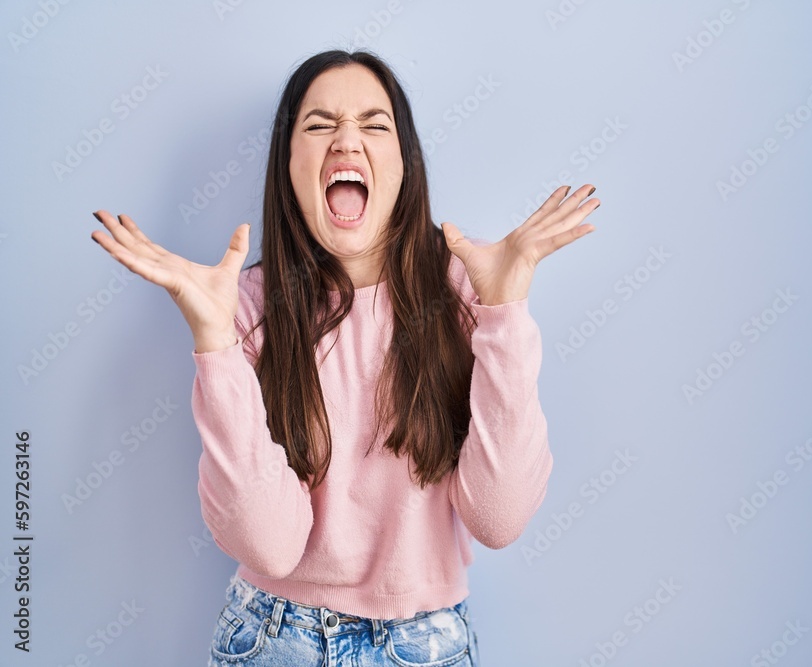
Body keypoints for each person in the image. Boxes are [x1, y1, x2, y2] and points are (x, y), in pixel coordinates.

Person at [90, 48, 599, 666]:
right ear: (289, 165)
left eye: (374, 124)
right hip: (271, 638)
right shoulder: (247, 309)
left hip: (427, 643)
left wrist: (506, 310)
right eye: (320, 124)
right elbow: (269, 547)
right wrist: (215, 342)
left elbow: (499, 517)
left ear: (405, 164)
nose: (347, 141)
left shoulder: (469, 292)